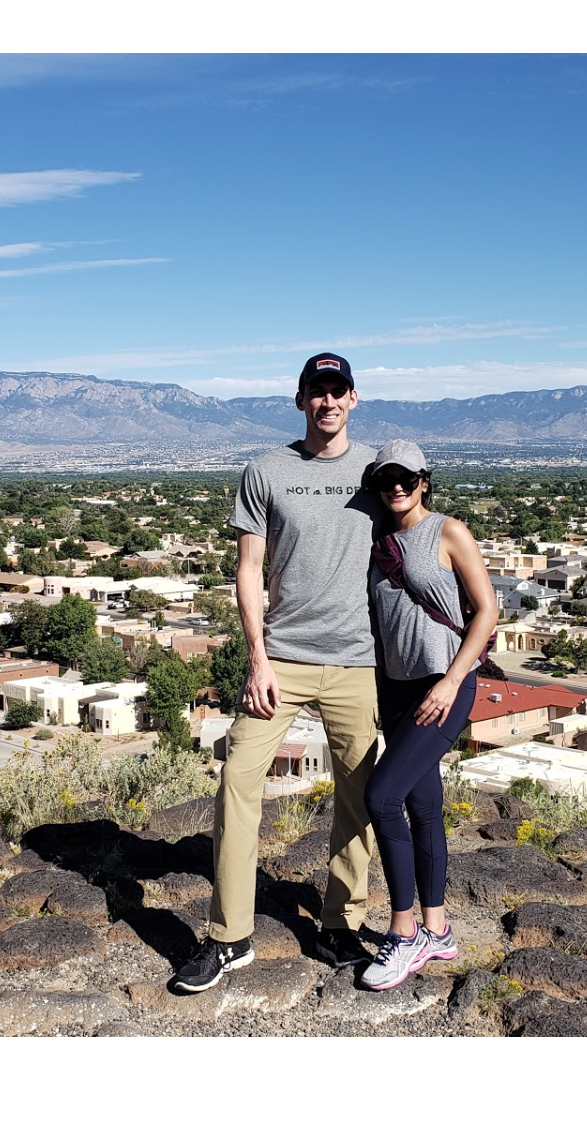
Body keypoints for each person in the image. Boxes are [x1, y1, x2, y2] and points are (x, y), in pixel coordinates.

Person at [175, 352, 383, 993]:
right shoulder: (265, 471)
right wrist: (256, 658)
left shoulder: (380, 471)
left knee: (361, 796)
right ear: (300, 401)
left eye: (337, 390)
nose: (326, 402)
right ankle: (229, 937)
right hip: (283, 660)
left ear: (353, 399)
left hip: (359, 660)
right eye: (315, 392)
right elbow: (248, 569)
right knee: (238, 777)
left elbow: (418, 544)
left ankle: (339, 924)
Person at [359, 440, 499, 991]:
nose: (396, 486)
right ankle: (438, 929)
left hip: (444, 684)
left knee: (381, 797)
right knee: (424, 803)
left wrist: (452, 680)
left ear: (424, 481)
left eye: (407, 477)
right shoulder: (378, 541)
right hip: (396, 687)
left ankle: (403, 932)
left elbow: (487, 610)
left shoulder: (448, 531)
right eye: (385, 478)